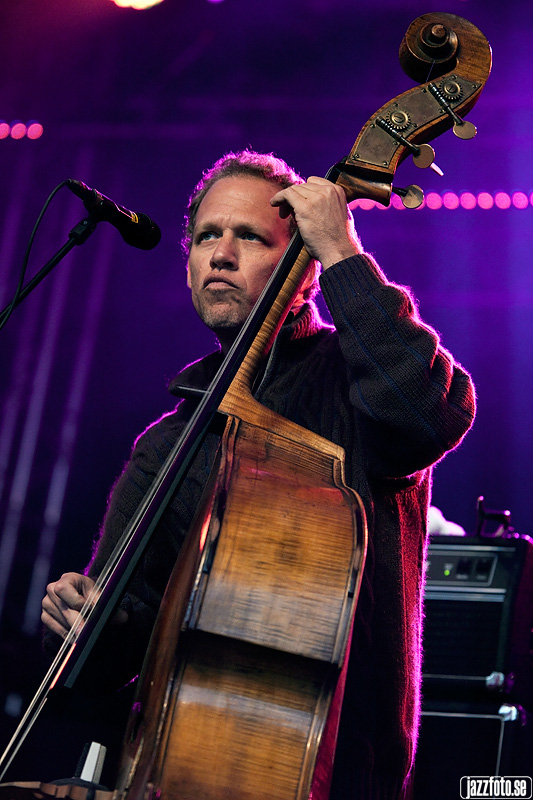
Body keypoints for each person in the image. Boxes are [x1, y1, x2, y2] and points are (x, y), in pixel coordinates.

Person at [42, 150, 476, 799]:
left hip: (339, 775)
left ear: (301, 271)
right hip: (177, 771)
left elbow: (430, 413)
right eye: (207, 236)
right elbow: (113, 658)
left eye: (248, 236)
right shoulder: (167, 445)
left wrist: (341, 253)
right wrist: (86, 616)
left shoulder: (354, 381)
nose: (220, 254)